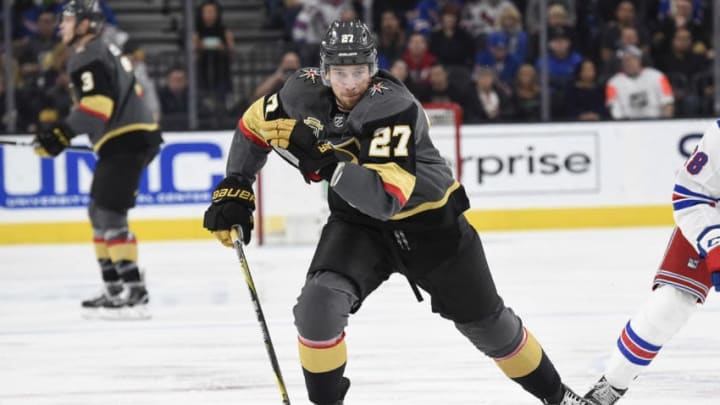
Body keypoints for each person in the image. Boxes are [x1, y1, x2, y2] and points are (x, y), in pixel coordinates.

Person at [203, 19, 592, 405]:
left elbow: (386, 200)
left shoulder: (393, 105)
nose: (351, 82)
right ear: (324, 72)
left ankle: (560, 398)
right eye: (341, 72)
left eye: (360, 71)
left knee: (490, 329)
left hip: (430, 225)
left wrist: (326, 163)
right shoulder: (300, 91)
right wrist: (237, 184)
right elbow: (254, 125)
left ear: (373, 69)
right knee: (317, 308)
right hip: (358, 224)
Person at [31, 0, 163, 318]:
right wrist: (62, 134)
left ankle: (132, 288)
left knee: (109, 212)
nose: (61, 26)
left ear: (85, 25)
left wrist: (59, 134)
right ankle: (115, 285)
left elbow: (98, 107)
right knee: (98, 211)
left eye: (67, 20)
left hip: (126, 140)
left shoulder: (86, 55)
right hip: (126, 137)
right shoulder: (101, 49)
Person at [584, 119, 720, 404]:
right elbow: (690, 194)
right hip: (712, 217)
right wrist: (715, 246)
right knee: (669, 307)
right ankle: (610, 387)